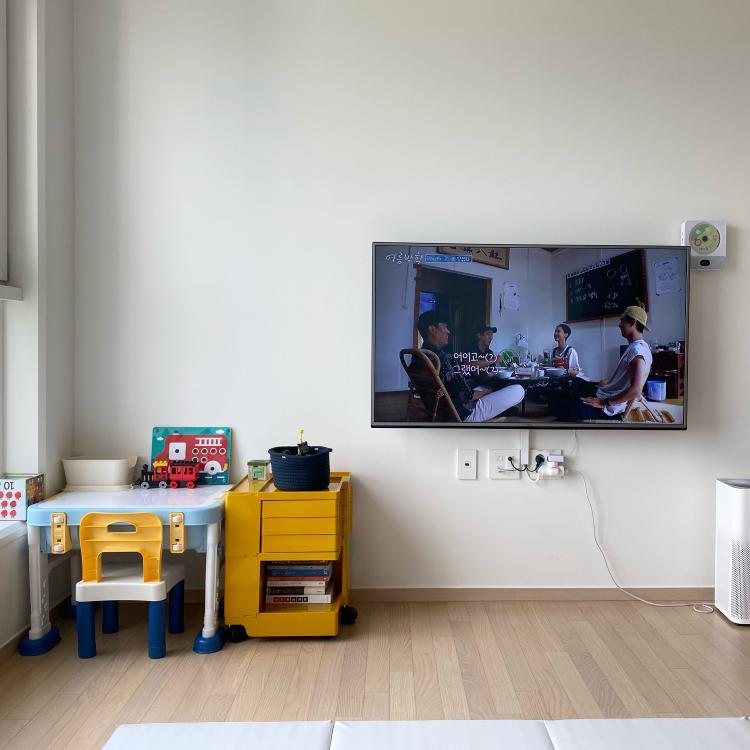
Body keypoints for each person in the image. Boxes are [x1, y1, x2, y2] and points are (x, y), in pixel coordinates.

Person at [550, 303, 653, 422]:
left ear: (632, 323)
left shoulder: (637, 351)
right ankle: (574, 400)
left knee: (555, 405)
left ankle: (574, 402)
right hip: (604, 393)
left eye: (622, 320)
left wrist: (604, 402)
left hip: (610, 407)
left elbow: (636, 390)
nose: (619, 325)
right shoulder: (638, 347)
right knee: (573, 383)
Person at [417, 311, 524, 423]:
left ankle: (496, 405)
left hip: (442, 409)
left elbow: (456, 390)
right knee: (519, 390)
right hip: (463, 413)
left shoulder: (420, 356)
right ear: (432, 329)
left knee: (492, 388)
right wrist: (484, 393)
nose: (448, 331)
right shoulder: (445, 358)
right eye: (445, 326)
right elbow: (466, 395)